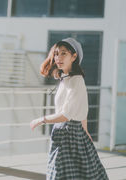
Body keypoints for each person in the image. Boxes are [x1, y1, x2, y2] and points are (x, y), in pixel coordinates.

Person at [30, 37, 109, 180]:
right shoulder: (65, 78)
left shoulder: (76, 81)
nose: (58, 57)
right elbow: (82, 108)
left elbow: (66, 115)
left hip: (69, 134)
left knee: (61, 174)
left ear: (74, 57)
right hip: (68, 133)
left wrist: (41, 120)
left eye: (63, 53)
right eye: (56, 53)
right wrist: (85, 131)